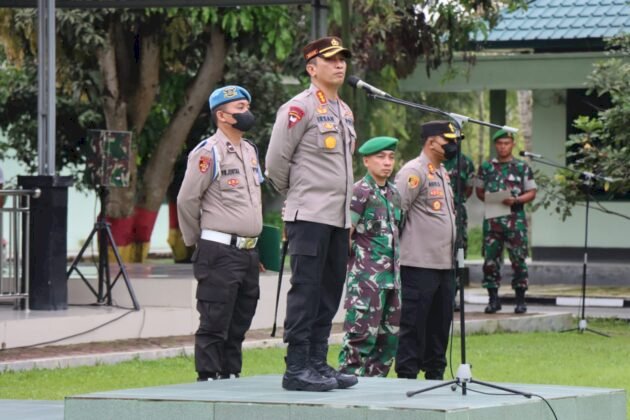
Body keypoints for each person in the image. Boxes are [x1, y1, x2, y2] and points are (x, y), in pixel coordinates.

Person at [266, 36, 358, 392]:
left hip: (338, 219)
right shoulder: (298, 108)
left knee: (330, 291)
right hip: (309, 216)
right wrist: (300, 196)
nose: (340, 65)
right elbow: (275, 164)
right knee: (306, 291)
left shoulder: (344, 111)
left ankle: (318, 363)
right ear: (311, 67)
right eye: (331, 59)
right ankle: (297, 368)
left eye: (343, 59)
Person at [177, 85, 263, 381]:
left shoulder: (250, 151)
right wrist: (195, 241)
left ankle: (231, 375)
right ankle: (208, 378)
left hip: (248, 252)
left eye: (246, 106)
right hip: (219, 251)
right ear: (222, 115)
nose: (247, 113)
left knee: (240, 320)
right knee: (215, 320)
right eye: (240, 108)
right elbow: (187, 200)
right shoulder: (208, 152)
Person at [394, 120, 457, 381]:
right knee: (413, 325)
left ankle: (435, 375)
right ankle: (407, 377)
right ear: (431, 142)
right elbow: (396, 213)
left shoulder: (442, 172)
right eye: (448, 141)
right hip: (419, 264)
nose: (453, 147)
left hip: (444, 265)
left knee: (440, 327)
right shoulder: (413, 171)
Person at [338, 136, 403, 378]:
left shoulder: (394, 193)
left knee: (388, 343)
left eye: (391, 157)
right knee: (360, 338)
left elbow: (397, 232)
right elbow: (346, 234)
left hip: (392, 281)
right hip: (367, 282)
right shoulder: (359, 191)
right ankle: (347, 387)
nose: (387, 163)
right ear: (366, 160)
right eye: (380, 157)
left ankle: (376, 393)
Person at [476, 129, 537, 314]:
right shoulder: (486, 167)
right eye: (500, 143)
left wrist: (517, 200)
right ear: (496, 145)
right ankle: (493, 300)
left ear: (512, 144)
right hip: (493, 221)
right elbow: (479, 191)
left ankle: (520, 300)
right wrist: (492, 198)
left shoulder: (521, 167)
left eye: (506, 143)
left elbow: (532, 192)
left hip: (515, 222)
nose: (503, 147)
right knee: (490, 261)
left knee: (518, 259)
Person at [443, 153, 475, 311]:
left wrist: (456, 201)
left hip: (458, 214)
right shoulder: (434, 158)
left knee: (460, 253)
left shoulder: (466, 162)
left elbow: (469, 189)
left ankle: (453, 296)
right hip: (438, 213)